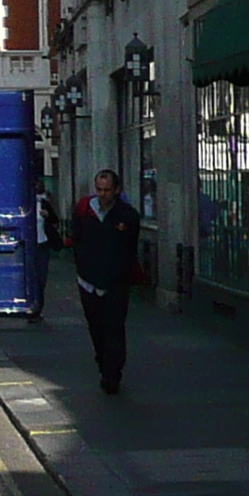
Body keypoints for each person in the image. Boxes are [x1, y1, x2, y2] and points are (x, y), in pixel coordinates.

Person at [71, 169, 144, 394]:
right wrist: (82, 267)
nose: (102, 194)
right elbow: (77, 240)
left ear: (117, 190)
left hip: (116, 284)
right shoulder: (84, 211)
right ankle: (103, 363)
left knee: (114, 328)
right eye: (99, 190)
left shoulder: (128, 215)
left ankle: (113, 375)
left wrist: (120, 275)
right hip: (88, 282)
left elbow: (130, 249)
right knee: (96, 328)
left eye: (107, 190)